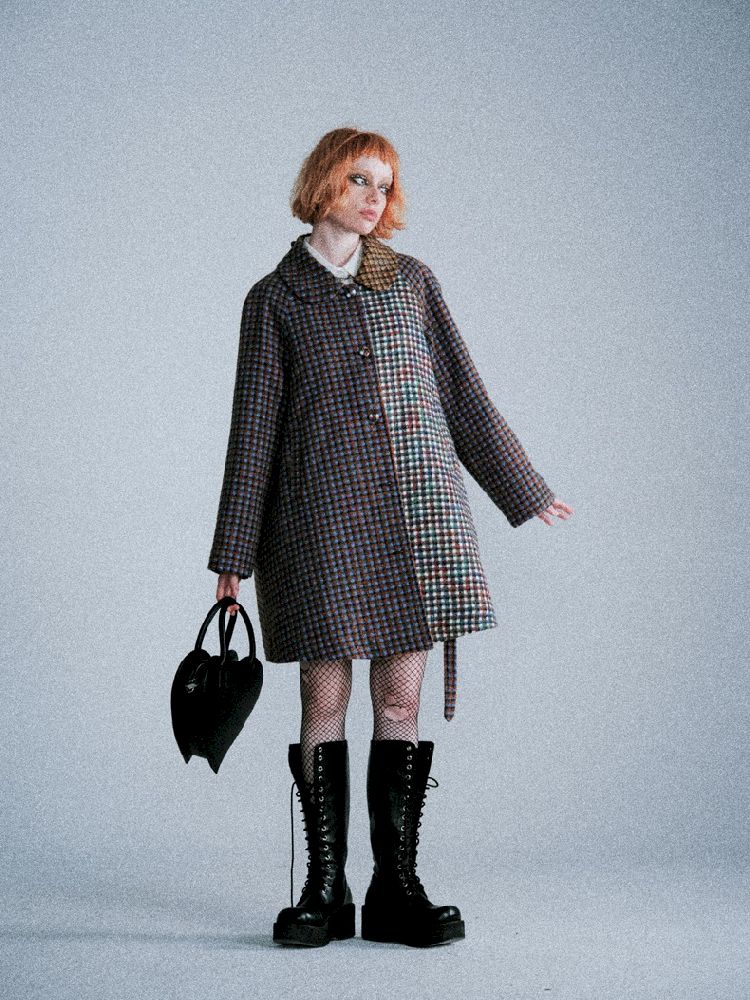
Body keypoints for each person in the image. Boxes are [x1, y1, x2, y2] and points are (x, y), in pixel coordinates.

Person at [208, 127, 574, 948]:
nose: (375, 198)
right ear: (323, 184)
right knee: (323, 701)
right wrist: (232, 554)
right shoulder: (275, 300)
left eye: (386, 184)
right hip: (319, 527)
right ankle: (324, 887)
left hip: (417, 521)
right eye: (359, 180)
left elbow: (463, 397)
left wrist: (526, 488)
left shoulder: (410, 282)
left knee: (400, 701)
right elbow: (253, 431)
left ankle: (395, 889)